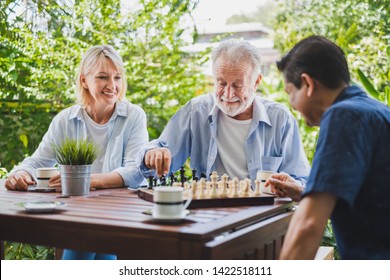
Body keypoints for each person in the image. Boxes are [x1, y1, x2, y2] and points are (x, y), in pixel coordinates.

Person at [5, 45, 148, 259]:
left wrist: (83, 181)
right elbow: (36, 162)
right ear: (84, 81)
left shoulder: (134, 116)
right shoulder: (66, 119)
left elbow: (135, 172)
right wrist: (21, 173)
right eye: (102, 77)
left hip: (120, 214)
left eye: (117, 78)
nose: (112, 85)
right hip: (78, 214)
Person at [140, 40, 310, 197]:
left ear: (256, 82)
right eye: (221, 84)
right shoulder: (196, 112)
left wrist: (293, 187)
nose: (228, 94)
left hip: (263, 215)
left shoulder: (280, 118)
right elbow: (160, 158)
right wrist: (153, 154)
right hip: (210, 212)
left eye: (237, 85)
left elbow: (301, 181)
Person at [275, 35, 390, 259]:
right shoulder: (376, 111)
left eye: (290, 92)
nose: (291, 104)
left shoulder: (344, 115)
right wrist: (305, 193)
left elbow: (308, 226)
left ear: (307, 84)